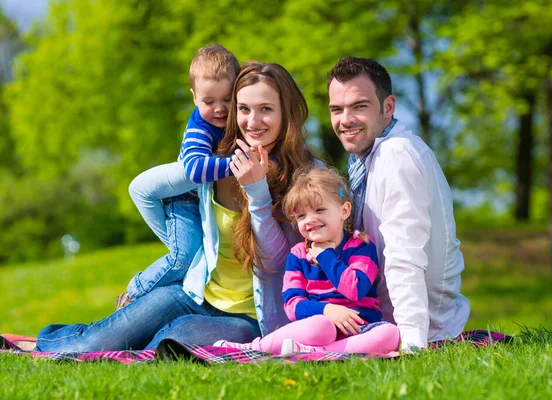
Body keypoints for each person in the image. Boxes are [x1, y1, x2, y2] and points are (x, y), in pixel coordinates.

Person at [32, 61, 317, 352]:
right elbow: (142, 189)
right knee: (94, 343)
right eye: (243, 109)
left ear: (286, 112)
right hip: (195, 294)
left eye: (266, 109)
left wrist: (257, 192)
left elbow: (277, 262)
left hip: (250, 318)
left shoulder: (305, 175)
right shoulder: (213, 165)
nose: (252, 121)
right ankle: (37, 343)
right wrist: (186, 249)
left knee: (164, 344)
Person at [326, 57, 470, 352]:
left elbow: (405, 255)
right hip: (379, 320)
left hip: (416, 328)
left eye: (359, 106)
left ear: (388, 107)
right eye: (336, 109)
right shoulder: (368, 157)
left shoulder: (397, 155)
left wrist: (412, 344)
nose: (345, 119)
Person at [213, 168, 399, 354]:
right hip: (319, 328)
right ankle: (255, 348)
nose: (310, 220)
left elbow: (356, 289)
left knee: (390, 333)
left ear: (344, 211)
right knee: (320, 326)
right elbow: (292, 304)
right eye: (301, 215)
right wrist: (327, 310)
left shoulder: (362, 245)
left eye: (320, 210)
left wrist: (326, 256)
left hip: (359, 331)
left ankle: (317, 353)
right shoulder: (299, 254)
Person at [117, 44, 240, 309]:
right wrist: (237, 165)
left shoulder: (238, 120)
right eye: (209, 101)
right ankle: (133, 293)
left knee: (200, 258)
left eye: (227, 99)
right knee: (182, 258)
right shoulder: (200, 127)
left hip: (207, 202)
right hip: (182, 200)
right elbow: (194, 169)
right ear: (195, 98)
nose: (219, 109)